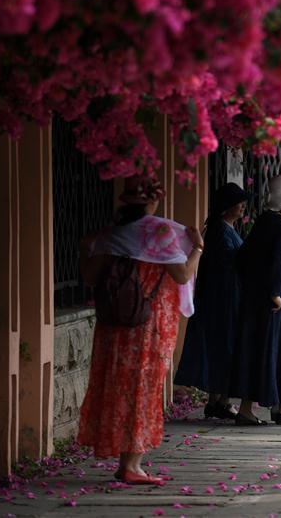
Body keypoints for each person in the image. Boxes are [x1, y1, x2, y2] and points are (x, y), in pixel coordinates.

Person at [77, 175, 202, 485]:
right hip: (148, 325)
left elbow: (91, 277)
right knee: (143, 390)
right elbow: (183, 275)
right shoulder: (160, 233)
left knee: (117, 387)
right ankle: (132, 464)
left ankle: (125, 459)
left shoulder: (111, 235)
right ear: (152, 201)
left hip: (114, 326)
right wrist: (198, 249)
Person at [228, 175, 281, 425]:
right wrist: (275, 293)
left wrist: (254, 286)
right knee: (272, 351)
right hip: (272, 300)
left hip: (254, 297)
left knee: (255, 350)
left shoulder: (263, 222)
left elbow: (243, 257)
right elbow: (278, 263)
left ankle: (252, 408)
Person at [175, 182, 247, 419]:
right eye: (239, 203)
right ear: (227, 207)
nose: (243, 207)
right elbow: (230, 263)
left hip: (223, 297)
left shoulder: (224, 228)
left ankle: (218, 399)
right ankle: (220, 400)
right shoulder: (220, 231)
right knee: (224, 348)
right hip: (221, 299)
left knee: (222, 348)